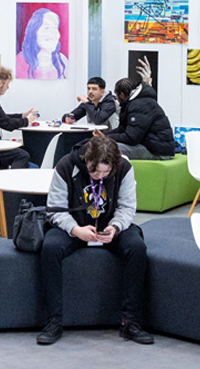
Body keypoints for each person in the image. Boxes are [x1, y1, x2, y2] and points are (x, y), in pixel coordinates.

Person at [37, 134, 152, 346]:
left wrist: (115, 227)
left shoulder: (124, 168)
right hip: (75, 226)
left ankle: (130, 321)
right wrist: (75, 229)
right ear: (86, 160)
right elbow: (54, 209)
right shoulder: (65, 166)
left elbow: (127, 208)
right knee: (50, 247)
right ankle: (53, 320)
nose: (100, 176)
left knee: (136, 247)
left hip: (110, 227)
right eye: (94, 170)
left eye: (106, 172)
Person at [104, 77, 176, 160]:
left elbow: (131, 138)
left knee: (106, 149)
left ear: (122, 95)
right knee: (102, 145)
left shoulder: (139, 105)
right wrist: (105, 135)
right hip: (152, 146)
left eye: (117, 95)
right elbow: (123, 128)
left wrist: (107, 138)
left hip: (157, 151)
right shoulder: (135, 102)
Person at [16, 7, 68, 80]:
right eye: (47, 28)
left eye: (55, 28)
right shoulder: (20, 61)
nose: (53, 33)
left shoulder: (62, 61)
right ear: (34, 31)